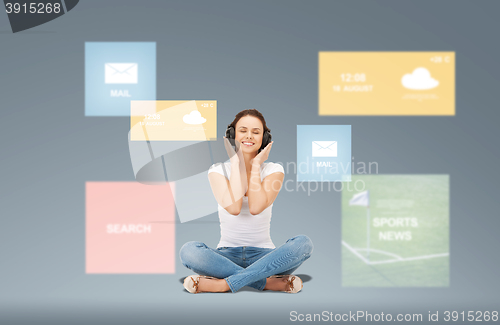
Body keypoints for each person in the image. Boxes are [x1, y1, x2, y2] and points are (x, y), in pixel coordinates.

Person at [179, 109, 313, 293]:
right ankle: (266, 282)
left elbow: (256, 207)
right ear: (233, 135)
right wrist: (236, 161)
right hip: (224, 256)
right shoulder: (217, 170)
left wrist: (256, 165)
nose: (249, 136)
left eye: (256, 132)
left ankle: (223, 284)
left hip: (266, 257)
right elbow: (233, 207)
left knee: (303, 244)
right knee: (189, 251)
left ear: (264, 139)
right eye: (243, 131)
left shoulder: (274, 170)